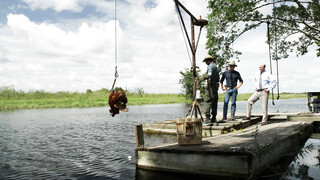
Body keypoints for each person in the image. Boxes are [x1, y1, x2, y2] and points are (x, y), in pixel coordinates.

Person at [199, 55, 219, 126]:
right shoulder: (216, 67)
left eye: (205, 62)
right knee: (214, 102)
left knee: (207, 101)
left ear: (208, 60)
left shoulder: (210, 66)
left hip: (210, 87)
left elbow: (209, 75)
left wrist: (201, 80)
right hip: (215, 87)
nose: (205, 63)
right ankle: (214, 118)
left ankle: (207, 119)